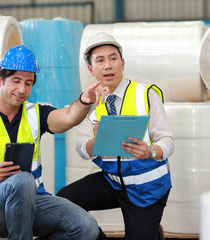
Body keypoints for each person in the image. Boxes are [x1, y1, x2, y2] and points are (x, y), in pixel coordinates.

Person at [0, 45, 109, 240]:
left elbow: (69, 118)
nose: (22, 89)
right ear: (0, 80)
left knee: (86, 227)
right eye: (16, 81)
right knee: (22, 179)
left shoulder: (36, 113)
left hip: (35, 201)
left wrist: (84, 100)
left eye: (28, 83)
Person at [57, 32, 175, 240]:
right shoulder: (89, 103)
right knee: (64, 201)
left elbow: (167, 141)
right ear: (91, 69)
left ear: (122, 63)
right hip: (113, 181)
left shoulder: (146, 94)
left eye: (113, 59)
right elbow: (82, 148)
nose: (108, 66)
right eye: (100, 61)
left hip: (147, 188)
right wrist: (96, 141)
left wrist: (150, 151)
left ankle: (152, 232)